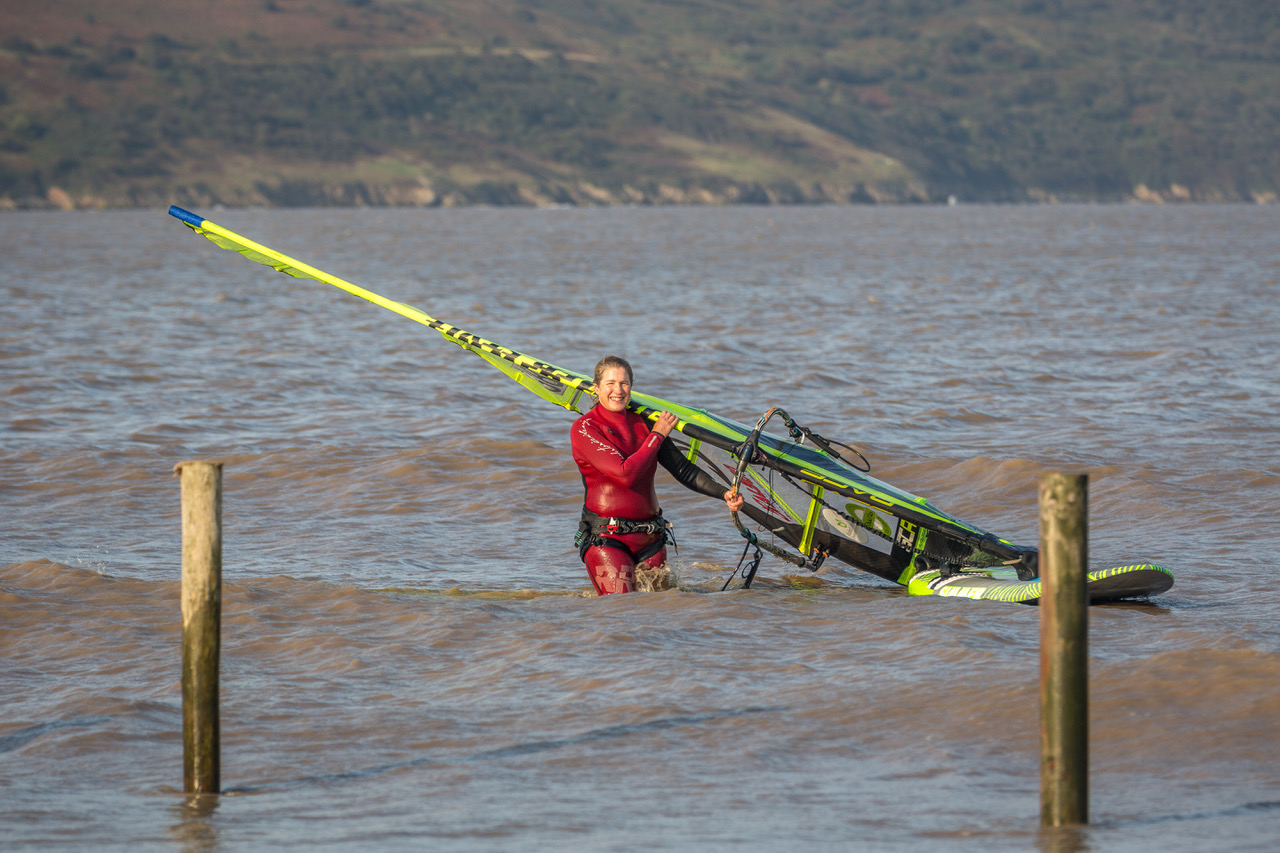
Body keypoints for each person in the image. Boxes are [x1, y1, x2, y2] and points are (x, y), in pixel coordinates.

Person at [571, 355, 744, 595]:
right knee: (621, 611)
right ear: (596, 387)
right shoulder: (585, 428)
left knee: (663, 611)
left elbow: (683, 470)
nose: (618, 390)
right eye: (610, 383)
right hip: (607, 540)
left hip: (651, 537)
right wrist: (658, 435)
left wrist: (723, 493)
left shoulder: (644, 422)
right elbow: (625, 474)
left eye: (624, 383)